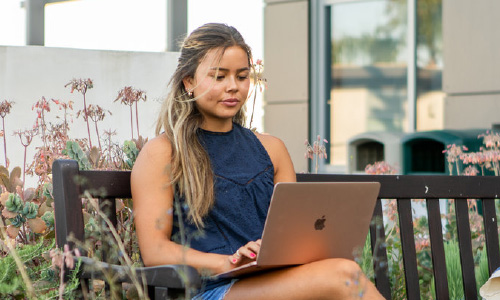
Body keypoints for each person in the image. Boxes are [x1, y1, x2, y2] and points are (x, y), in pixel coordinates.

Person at [131, 23, 384, 300]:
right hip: (211, 290)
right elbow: (155, 250)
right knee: (344, 276)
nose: (233, 87)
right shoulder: (163, 153)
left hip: (273, 283)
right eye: (218, 77)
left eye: (242, 77)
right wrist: (228, 262)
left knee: (343, 274)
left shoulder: (272, 149)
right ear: (188, 81)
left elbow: (295, 235)